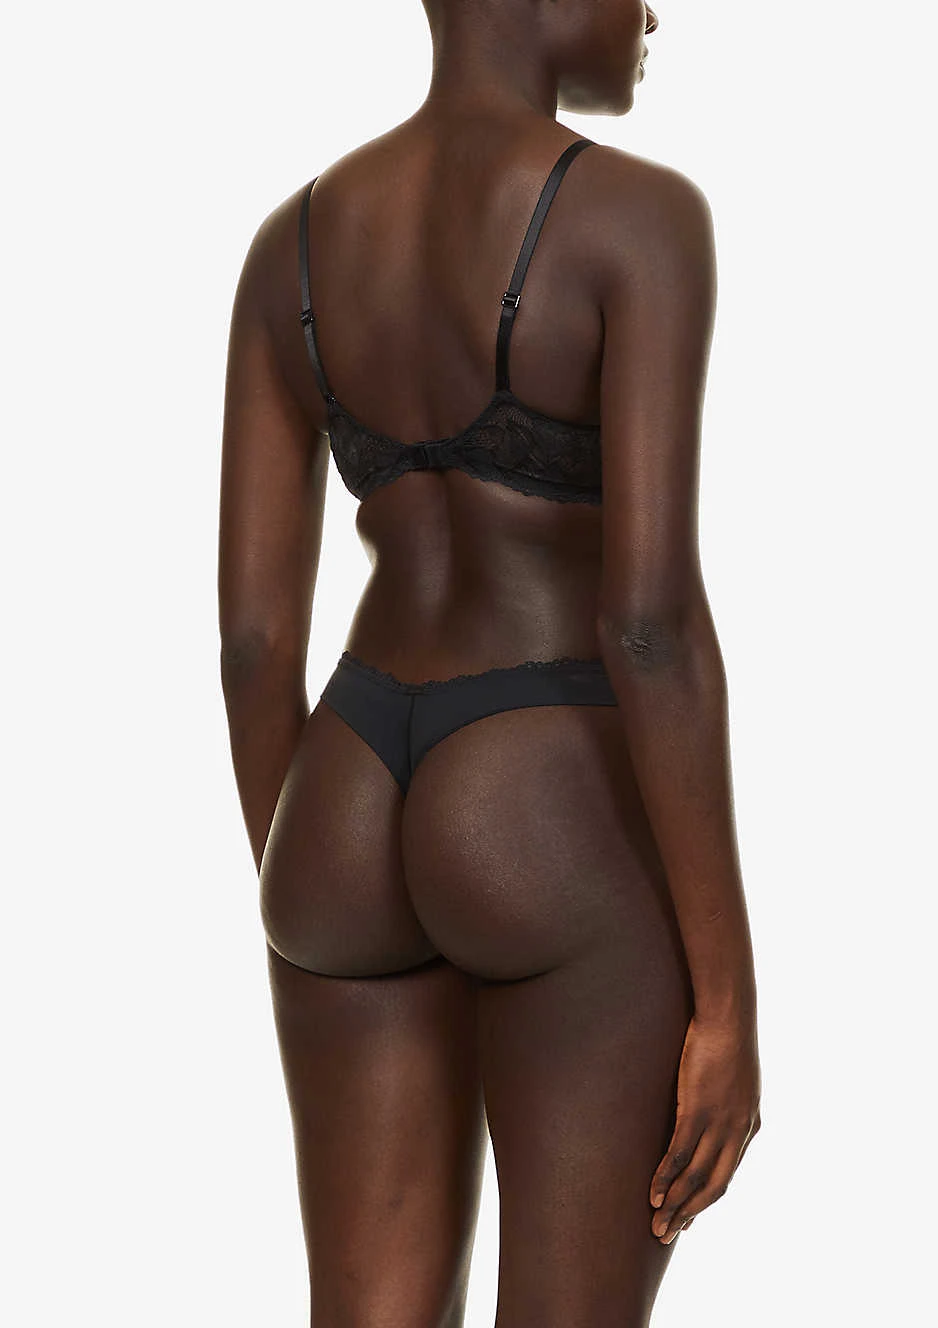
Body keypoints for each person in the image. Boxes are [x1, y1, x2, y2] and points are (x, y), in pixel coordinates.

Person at [218, 1, 760, 1322]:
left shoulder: (289, 249)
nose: (651, 11)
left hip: (340, 792)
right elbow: (649, 625)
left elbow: (252, 644)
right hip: (542, 792)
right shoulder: (638, 220)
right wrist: (728, 996)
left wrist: (321, 904)